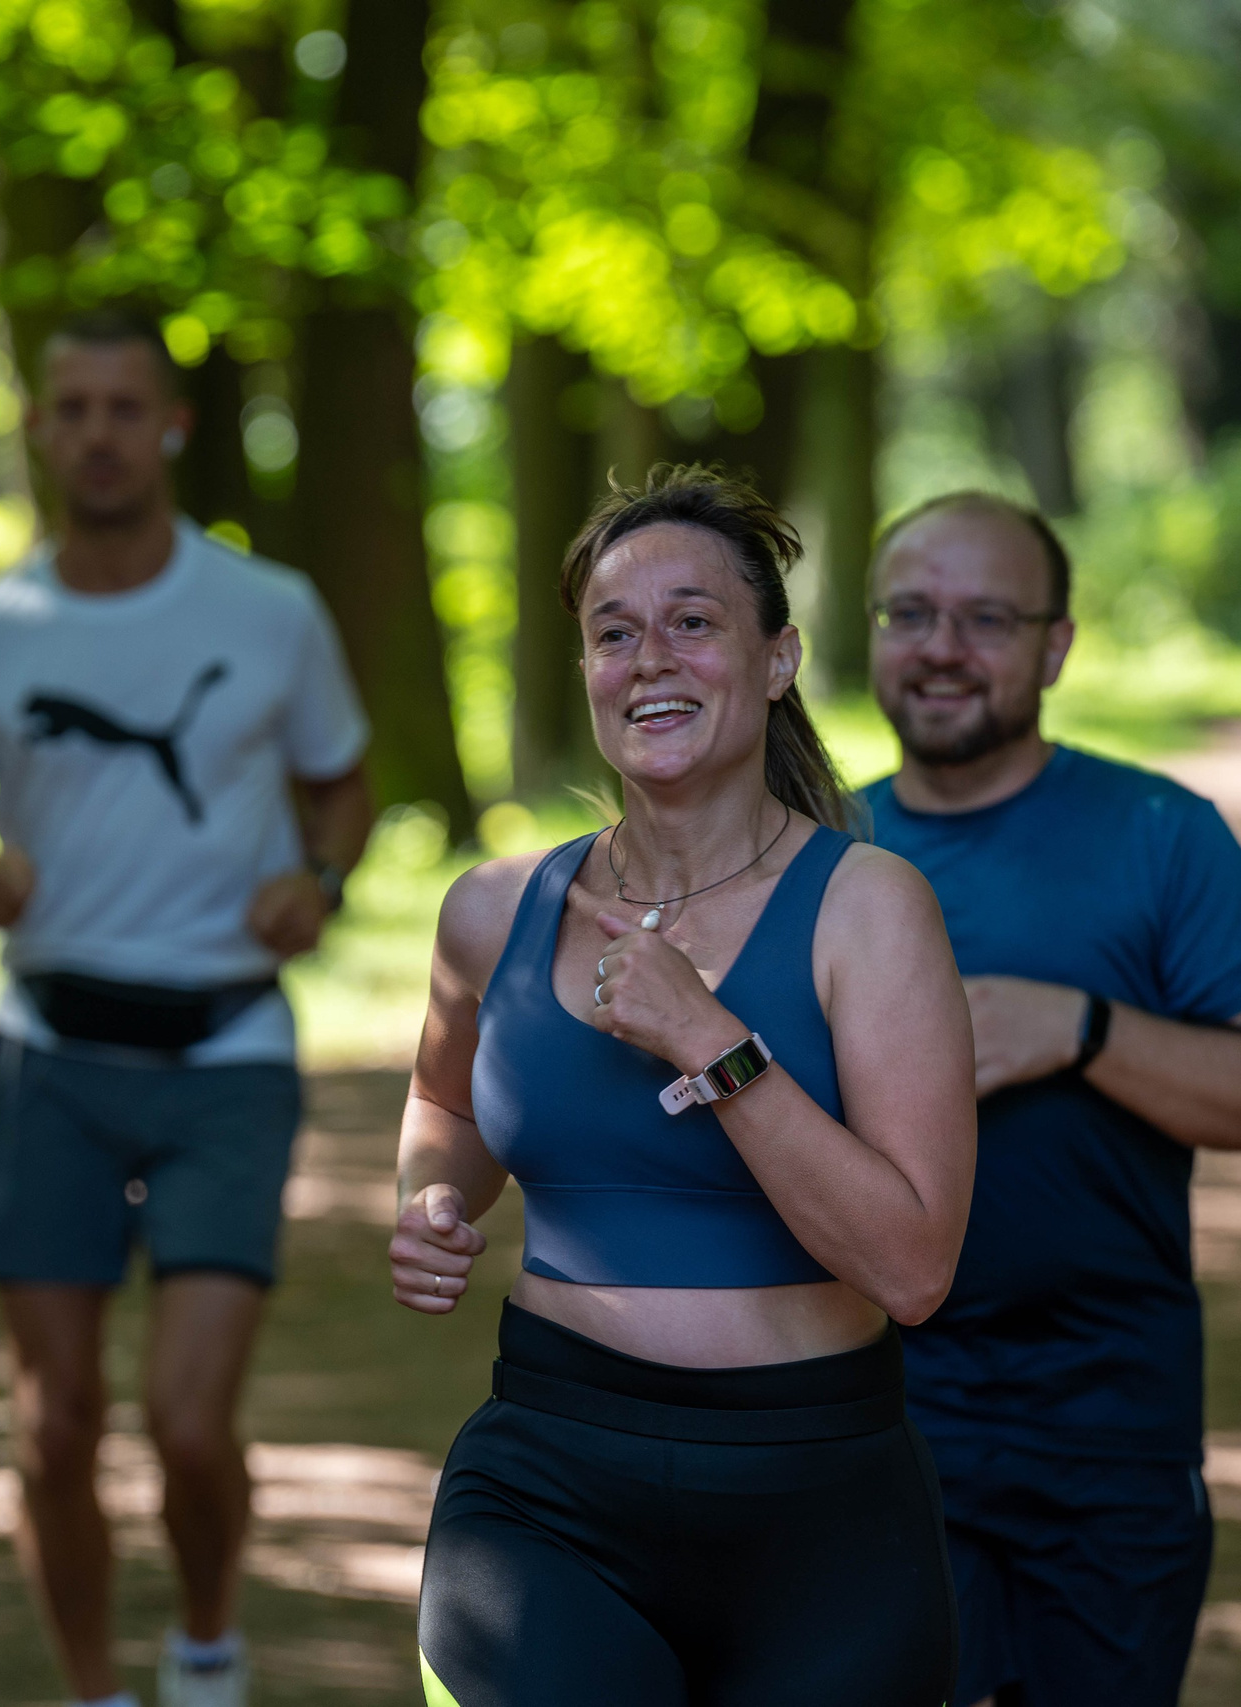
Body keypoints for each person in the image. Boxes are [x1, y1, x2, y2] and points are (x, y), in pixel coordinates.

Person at [389, 467, 978, 1707]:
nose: (648, 657)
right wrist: (433, 1200)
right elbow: (445, 1107)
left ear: (775, 660)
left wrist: (712, 1042)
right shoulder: (493, 911)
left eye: (693, 622)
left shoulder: (867, 911)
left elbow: (915, 1268)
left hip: (821, 1505)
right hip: (544, 1489)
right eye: (614, 633)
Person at [0, 312, 375, 1707]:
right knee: (55, 1425)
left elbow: (343, 777)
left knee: (189, 1420)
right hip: (52, 1055)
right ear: (38, 427)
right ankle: (93, 1690)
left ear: (172, 425)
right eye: (68, 406)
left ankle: (206, 1643)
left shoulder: (270, 613)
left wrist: (317, 876)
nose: (94, 431)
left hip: (227, 1046)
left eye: (120, 405)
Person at [859, 492, 1241, 1707]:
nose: (942, 648)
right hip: (872, 1418)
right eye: (911, 613)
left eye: (986, 619)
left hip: (1110, 1421)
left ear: (1055, 645)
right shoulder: (808, 850)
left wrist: (1080, 1030)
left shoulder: (1167, 835)